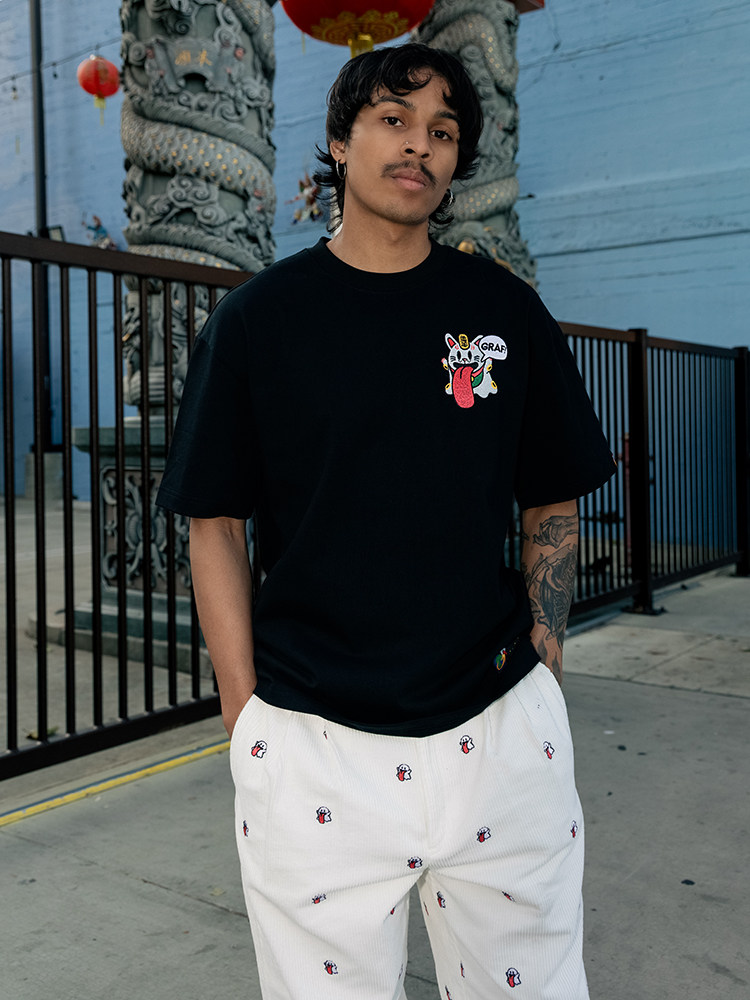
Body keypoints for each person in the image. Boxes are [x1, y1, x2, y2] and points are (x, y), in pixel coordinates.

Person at [157, 42, 615, 1000]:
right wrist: (246, 718)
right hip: (314, 744)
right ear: (340, 141)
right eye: (394, 120)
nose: (420, 146)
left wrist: (543, 661)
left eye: (442, 131)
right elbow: (215, 523)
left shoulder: (502, 310)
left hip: (497, 729)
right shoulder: (258, 321)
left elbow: (553, 494)